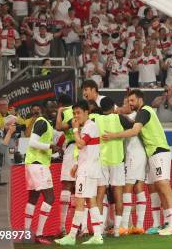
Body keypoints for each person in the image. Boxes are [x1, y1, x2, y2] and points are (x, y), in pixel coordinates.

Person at [102, 89, 172, 237]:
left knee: (163, 184)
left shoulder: (144, 111)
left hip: (159, 151)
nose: (130, 104)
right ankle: (158, 223)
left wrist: (113, 136)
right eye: (129, 101)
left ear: (140, 100)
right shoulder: (139, 113)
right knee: (153, 188)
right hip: (151, 153)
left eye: (132, 101)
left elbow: (134, 131)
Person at [55, 100, 105, 246]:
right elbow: (86, 149)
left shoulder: (89, 126)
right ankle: (97, 235)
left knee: (79, 202)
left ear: (86, 112)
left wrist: (75, 129)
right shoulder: (88, 127)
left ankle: (71, 236)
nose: (76, 117)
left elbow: (80, 144)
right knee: (91, 201)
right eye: (74, 113)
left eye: (78, 113)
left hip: (87, 171)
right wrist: (77, 164)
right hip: (88, 168)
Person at [90, 97, 131, 238]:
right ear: (113, 107)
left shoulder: (95, 119)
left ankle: (100, 229)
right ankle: (117, 229)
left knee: (100, 194)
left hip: (102, 160)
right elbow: (133, 127)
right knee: (118, 193)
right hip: (117, 160)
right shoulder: (119, 118)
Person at [24, 104, 62, 244]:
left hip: (34, 163)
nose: (53, 111)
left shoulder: (46, 124)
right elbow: (33, 142)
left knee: (33, 198)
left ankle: (27, 234)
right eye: (50, 108)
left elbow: (39, 144)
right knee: (50, 197)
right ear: (43, 109)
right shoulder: (42, 122)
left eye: (55, 108)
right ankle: (39, 234)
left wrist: (54, 152)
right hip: (37, 165)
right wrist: (50, 146)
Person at [118, 97, 148, 235]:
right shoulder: (133, 115)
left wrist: (117, 113)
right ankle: (139, 226)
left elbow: (127, 123)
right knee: (139, 187)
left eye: (127, 103)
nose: (125, 105)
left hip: (133, 155)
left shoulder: (134, 116)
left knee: (127, 188)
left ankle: (124, 226)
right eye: (125, 103)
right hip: (138, 154)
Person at [54, 94, 76, 236]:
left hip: (73, 148)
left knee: (67, 185)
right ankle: (78, 227)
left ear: (61, 104)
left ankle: (62, 226)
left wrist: (59, 111)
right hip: (84, 149)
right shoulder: (78, 111)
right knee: (78, 188)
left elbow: (58, 127)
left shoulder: (67, 112)